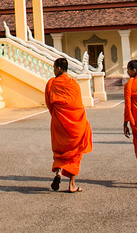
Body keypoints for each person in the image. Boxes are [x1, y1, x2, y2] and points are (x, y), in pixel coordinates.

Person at [44, 57, 93, 193]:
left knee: (61, 151)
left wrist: (57, 115)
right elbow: (78, 104)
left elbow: (49, 103)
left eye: (54, 68)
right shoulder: (74, 84)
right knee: (75, 152)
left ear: (59, 68)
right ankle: (72, 184)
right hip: (76, 123)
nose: (54, 71)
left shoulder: (51, 83)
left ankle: (59, 172)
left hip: (59, 122)